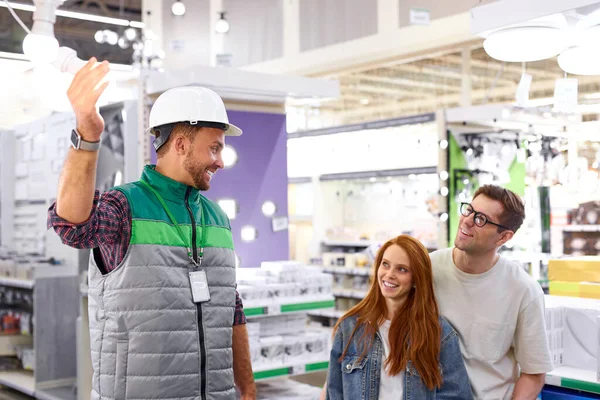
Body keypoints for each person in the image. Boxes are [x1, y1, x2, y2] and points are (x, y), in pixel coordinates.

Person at [47, 58, 256, 400]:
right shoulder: (125, 206)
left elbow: (231, 307)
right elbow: (71, 225)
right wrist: (88, 135)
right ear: (181, 144)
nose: (220, 161)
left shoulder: (217, 217)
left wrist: (246, 388)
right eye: (214, 147)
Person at [430, 184, 553, 399]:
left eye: (481, 219)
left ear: (504, 237)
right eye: (469, 210)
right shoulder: (428, 268)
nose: (467, 220)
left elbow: (534, 374)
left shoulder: (523, 290)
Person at [326, 235, 472, 399]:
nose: (389, 274)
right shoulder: (349, 328)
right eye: (385, 264)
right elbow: (334, 393)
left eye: (402, 269)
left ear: (416, 280)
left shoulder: (439, 334)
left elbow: (457, 395)